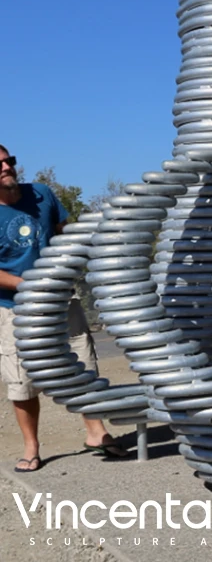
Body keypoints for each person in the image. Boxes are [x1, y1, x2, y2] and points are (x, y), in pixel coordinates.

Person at [0, 145, 126, 472]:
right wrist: (27, 285)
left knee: (83, 365)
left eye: (8, 161)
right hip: (14, 309)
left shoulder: (42, 194)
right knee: (23, 381)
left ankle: (96, 432)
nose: (6, 167)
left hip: (61, 301)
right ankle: (32, 447)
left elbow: (65, 235)